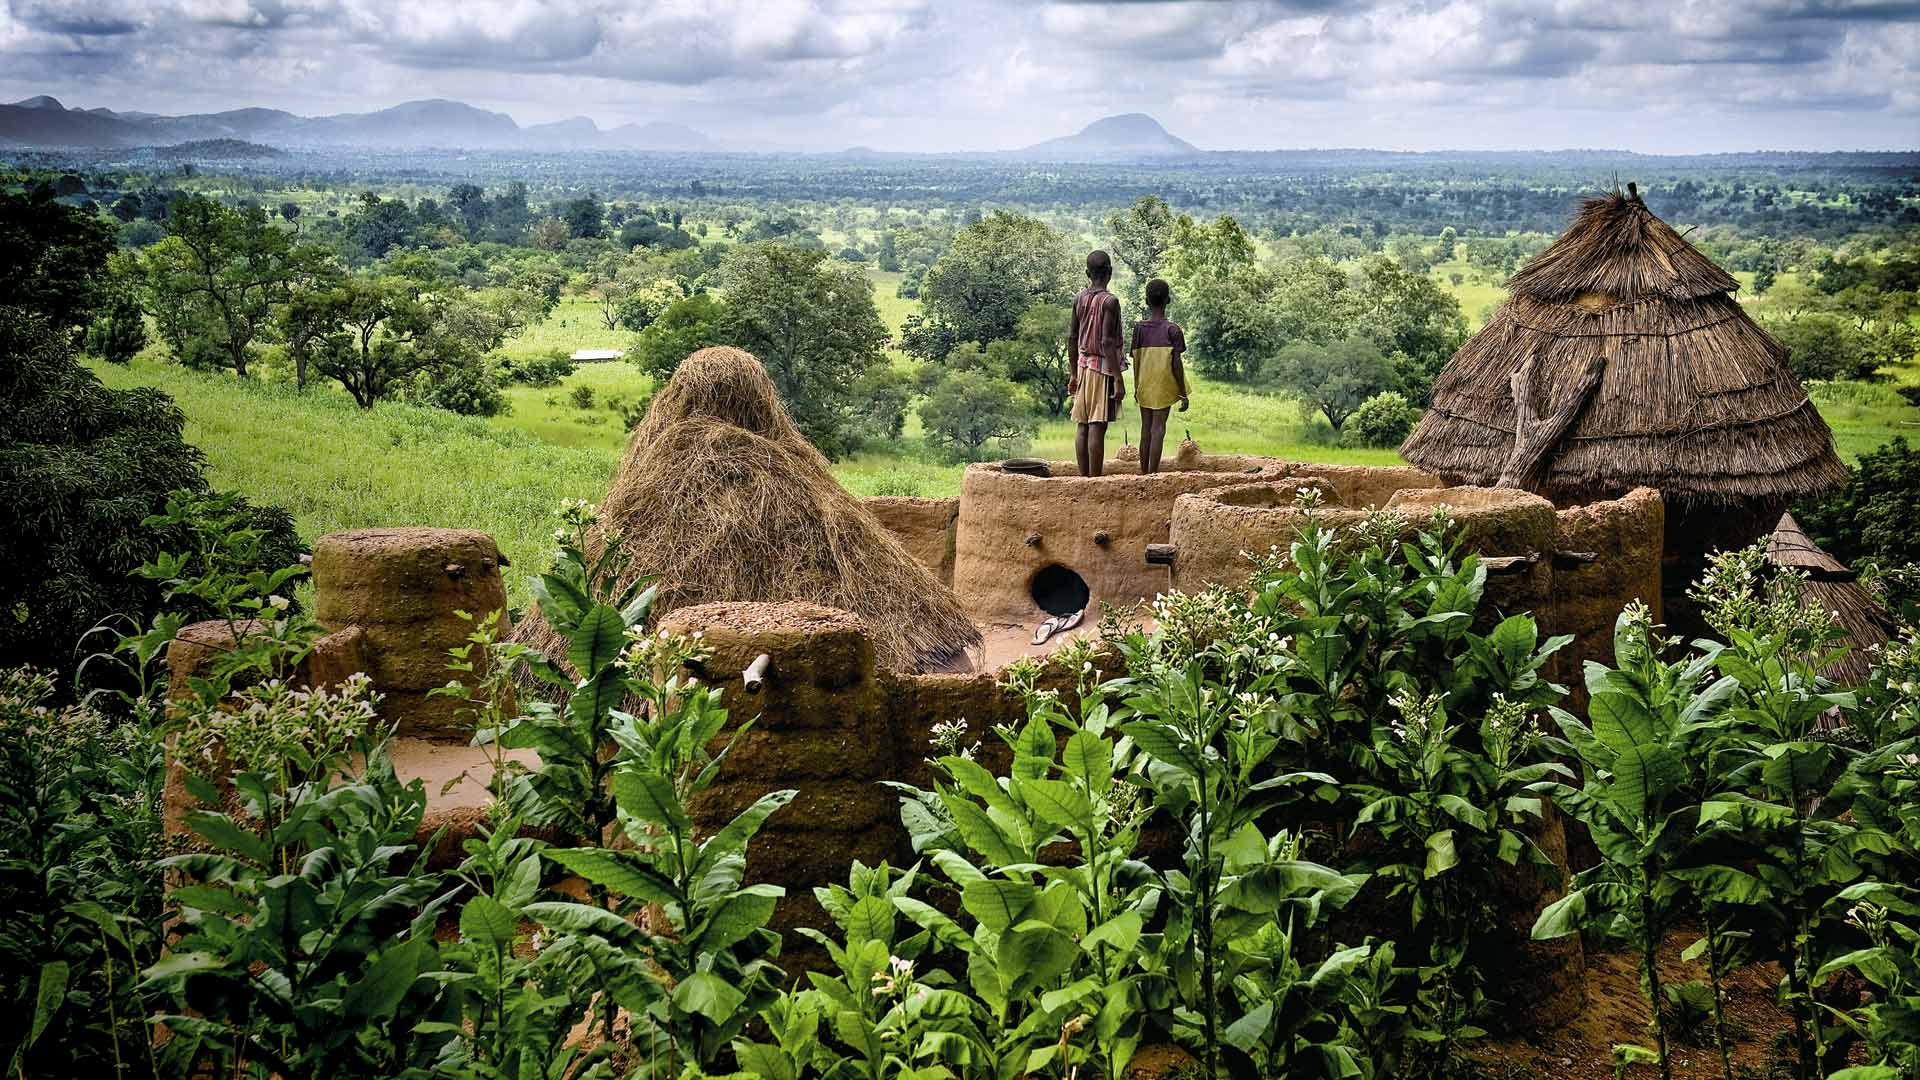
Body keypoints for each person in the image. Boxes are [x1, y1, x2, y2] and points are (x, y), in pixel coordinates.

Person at [1066, 250, 1125, 477]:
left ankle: (1084, 478)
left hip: (1082, 366)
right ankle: (1095, 480)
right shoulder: (1110, 301)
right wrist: (1118, 378)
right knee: (1097, 426)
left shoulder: (1078, 298)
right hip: (1101, 369)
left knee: (1082, 424)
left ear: (1087, 273)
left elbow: (1072, 337)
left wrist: (1073, 373)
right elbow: (1107, 342)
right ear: (1109, 273)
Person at [1130, 277, 1190, 474]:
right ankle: (1153, 475)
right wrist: (1182, 392)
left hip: (1144, 385)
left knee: (1145, 430)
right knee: (1158, 430)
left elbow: (1136, 360)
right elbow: (1176, 365)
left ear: (1147, 301)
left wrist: (1136, 387)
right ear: (1168, 300)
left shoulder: (1138, 329)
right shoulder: (1173, 330)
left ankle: (1144, 473)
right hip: (1163, 386)